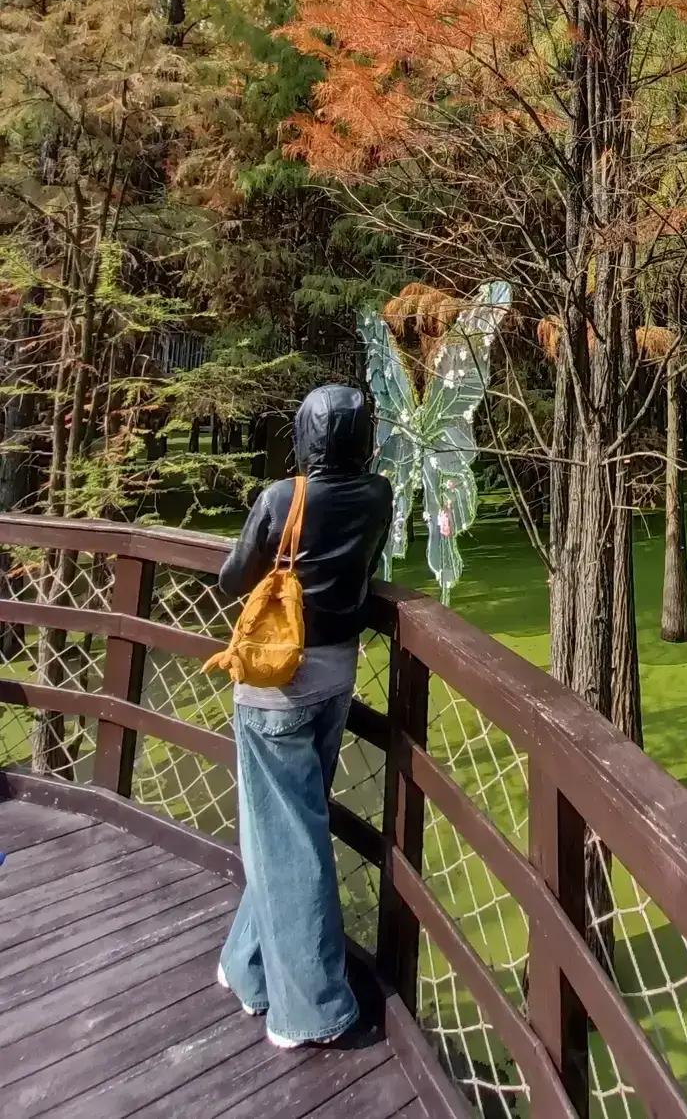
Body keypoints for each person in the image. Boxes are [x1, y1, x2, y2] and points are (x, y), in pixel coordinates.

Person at [215, 384, 393, 1049]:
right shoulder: (379, 494)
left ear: (306, 434)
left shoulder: (280, 499)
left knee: (288, 840)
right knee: (289, 828)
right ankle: (245, 966)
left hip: (275, 686)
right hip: (336, 677)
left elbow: (233, 579)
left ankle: (310, 1011)